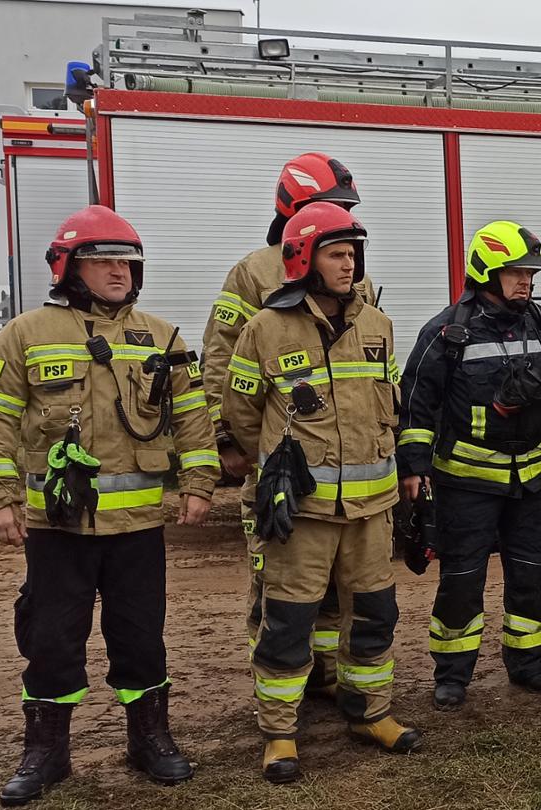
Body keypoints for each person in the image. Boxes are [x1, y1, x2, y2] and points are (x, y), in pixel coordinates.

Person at [0, 206, 217, 804]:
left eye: (127, 261)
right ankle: (46, 751)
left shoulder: (161, 336)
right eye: (102, 260)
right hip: (59, 526)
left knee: (141, 636)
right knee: (52, 637)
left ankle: (150, 739)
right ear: (69, 268)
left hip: (137, 526)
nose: (118, 271)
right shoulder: (26, 333)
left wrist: (201, 482)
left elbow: (192, 417)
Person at [224, 202, 419, 782]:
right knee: (287, 620)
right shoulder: (266, 327)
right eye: (337, 254)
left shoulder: (376, 324)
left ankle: (371, 714)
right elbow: (240, 410)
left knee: (374, 616)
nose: (349, 264)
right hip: (301, 514)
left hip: (371, 511)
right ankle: (280, 734)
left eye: (353, 253)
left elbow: (392, 403)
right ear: (304, 259)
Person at [397, 221, 541, 707]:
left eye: (530, 273)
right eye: (516, 272)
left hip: (532, 481)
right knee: (462, 580)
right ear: (486, 271)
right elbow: (418, 404)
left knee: (533, 575)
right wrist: (414, 466)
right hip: (467, 483)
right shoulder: (447, 332)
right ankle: (453, 674)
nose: (526, 281)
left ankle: (528, 664)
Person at [202, 152, 371, 691]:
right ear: (295, 205)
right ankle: (277, 688)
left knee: (336, 588)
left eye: (346, 208)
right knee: (277, 582)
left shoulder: (354, 269)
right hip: (280, 462)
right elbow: (221, 361)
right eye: (332, 205)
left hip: (343, 468)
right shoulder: (253, 273)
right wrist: (228, 439)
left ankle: (322, 679)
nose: (342, 217)